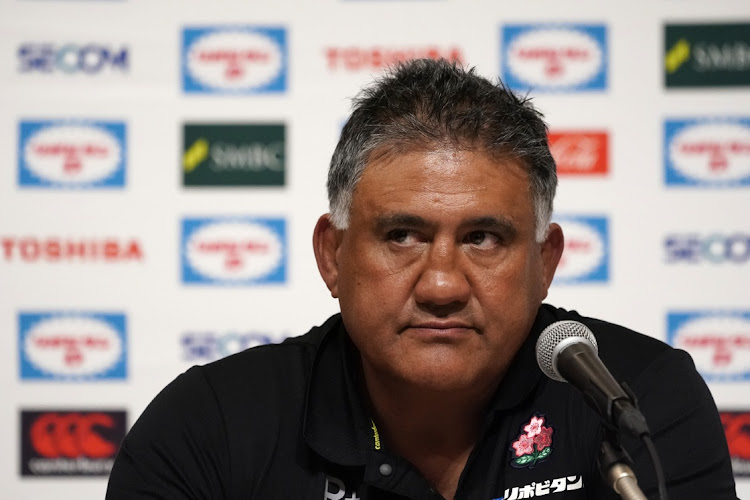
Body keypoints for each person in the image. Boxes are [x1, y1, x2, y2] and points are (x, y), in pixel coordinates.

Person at [106, 58, 737, 499]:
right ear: (332, 256)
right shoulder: (210, 426)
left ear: (545, 263)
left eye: (483, 239)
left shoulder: (636, 404)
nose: (441, 286)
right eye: (401, 236)